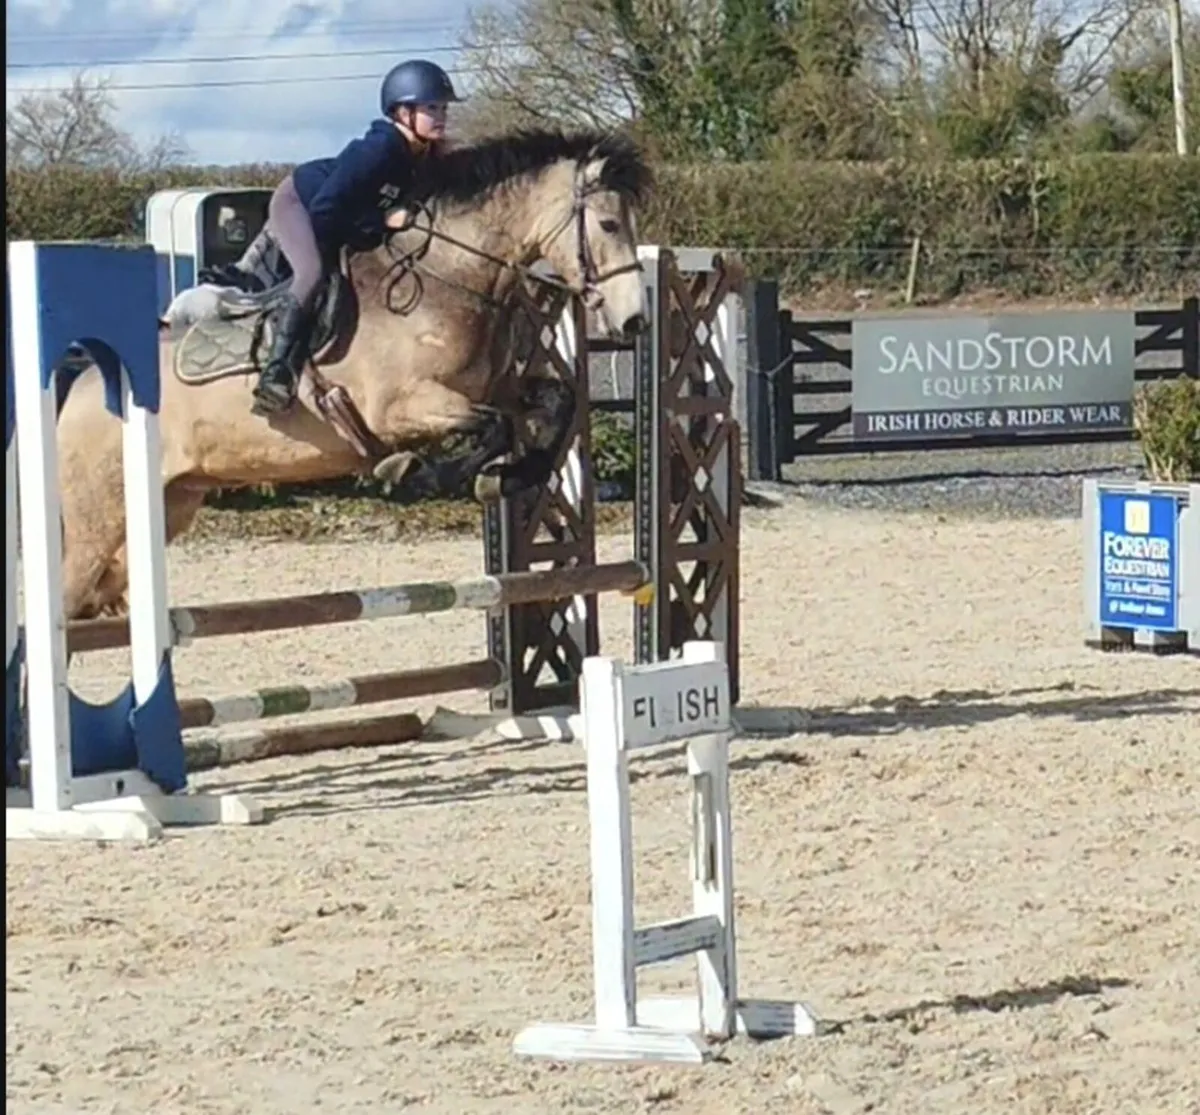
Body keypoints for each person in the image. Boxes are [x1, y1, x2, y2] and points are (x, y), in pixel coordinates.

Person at [251, 58, 459, 416]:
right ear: (403, 111)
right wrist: (381, 221)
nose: (441, 115)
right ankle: (276, 372)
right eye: (431, 107)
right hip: (300, 204)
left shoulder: (424, 157)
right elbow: (326, 211)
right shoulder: (378, 149)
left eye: (442, 107)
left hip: (342, 215)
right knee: (312, 274)